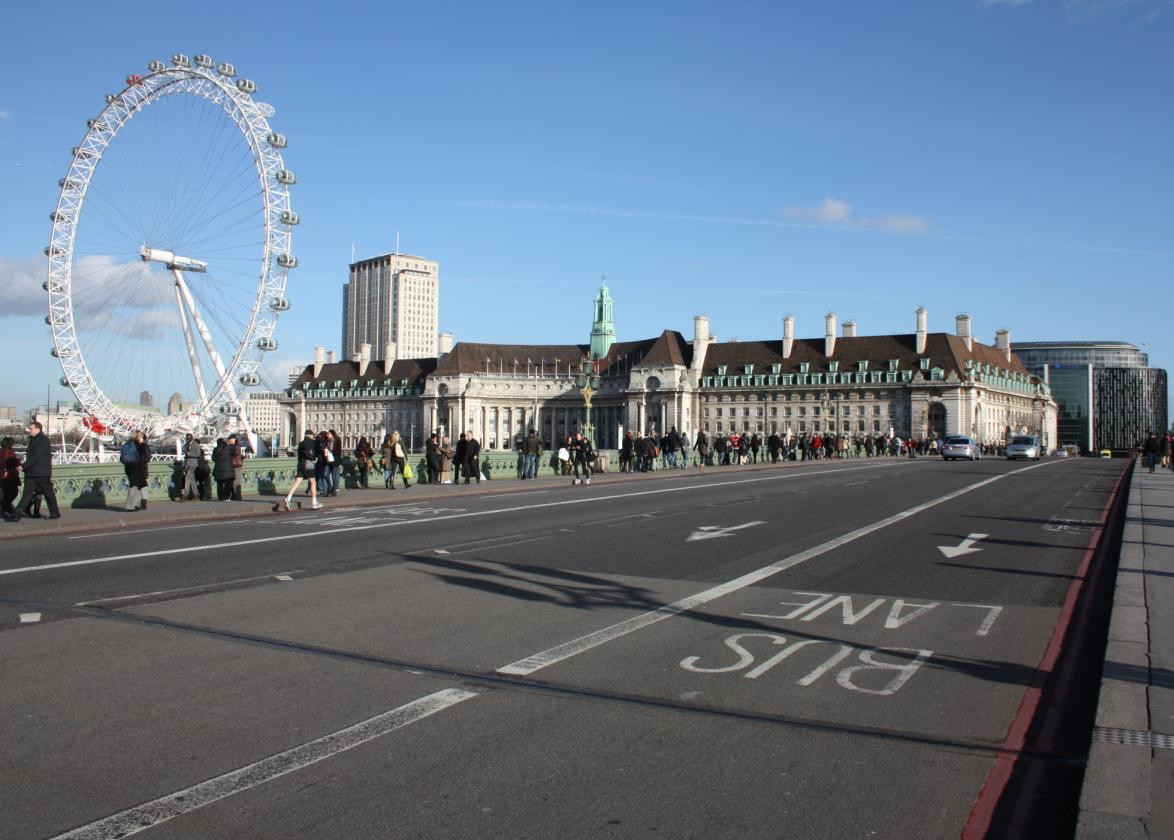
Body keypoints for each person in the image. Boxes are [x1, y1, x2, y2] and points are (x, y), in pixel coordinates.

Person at [5, 421, 61, 522]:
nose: (29, 430)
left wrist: (23, 466)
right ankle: (17, 514)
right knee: (28, 494)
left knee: (48, 493)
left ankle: (55, 513)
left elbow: (36, 456)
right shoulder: (36, 439)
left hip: (40, 473)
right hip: (34, 473)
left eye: (31, 429)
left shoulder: (43, 440)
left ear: (38, 429)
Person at [276, 429, 321, 511]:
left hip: (300, 465)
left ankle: (288, 498)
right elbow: (307, 452)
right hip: (308, 465)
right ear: (311, 435)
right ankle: (314, 502)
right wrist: (313, 458)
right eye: (312, 435)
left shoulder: (301, 443)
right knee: (313, 482)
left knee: (297, 482)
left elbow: (301, 453)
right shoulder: (311, 442)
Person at [122, 430, 150, 511]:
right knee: (134, 486)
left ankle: (136, 505)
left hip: (129, 467)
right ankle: (131, 506)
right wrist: (143, 444)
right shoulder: (139, 445)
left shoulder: (128, 444)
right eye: (141, 436)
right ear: (138, 437)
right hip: (137, 468)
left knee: (137, 485)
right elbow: (145, 457)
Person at [1, 436, 22, 516]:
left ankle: (5, 509)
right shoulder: (9, 452)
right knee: (13, 493)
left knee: (6, 493)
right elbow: (11, 464)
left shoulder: (2, 451)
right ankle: (7, 509)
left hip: (4, 476)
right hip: (10, 476)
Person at [180, 433, 201, 501]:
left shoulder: (196, 445)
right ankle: (196, 494)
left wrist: (189, 454)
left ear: (191, 438)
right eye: (187, 439)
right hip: (187, 463)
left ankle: (186, 494)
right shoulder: (186, 445)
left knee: (187, 478)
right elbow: (183, 449)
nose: (187, 440)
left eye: (188, 439)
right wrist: (184, 450)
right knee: (192, 480)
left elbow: (198, 454)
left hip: (193, 463)